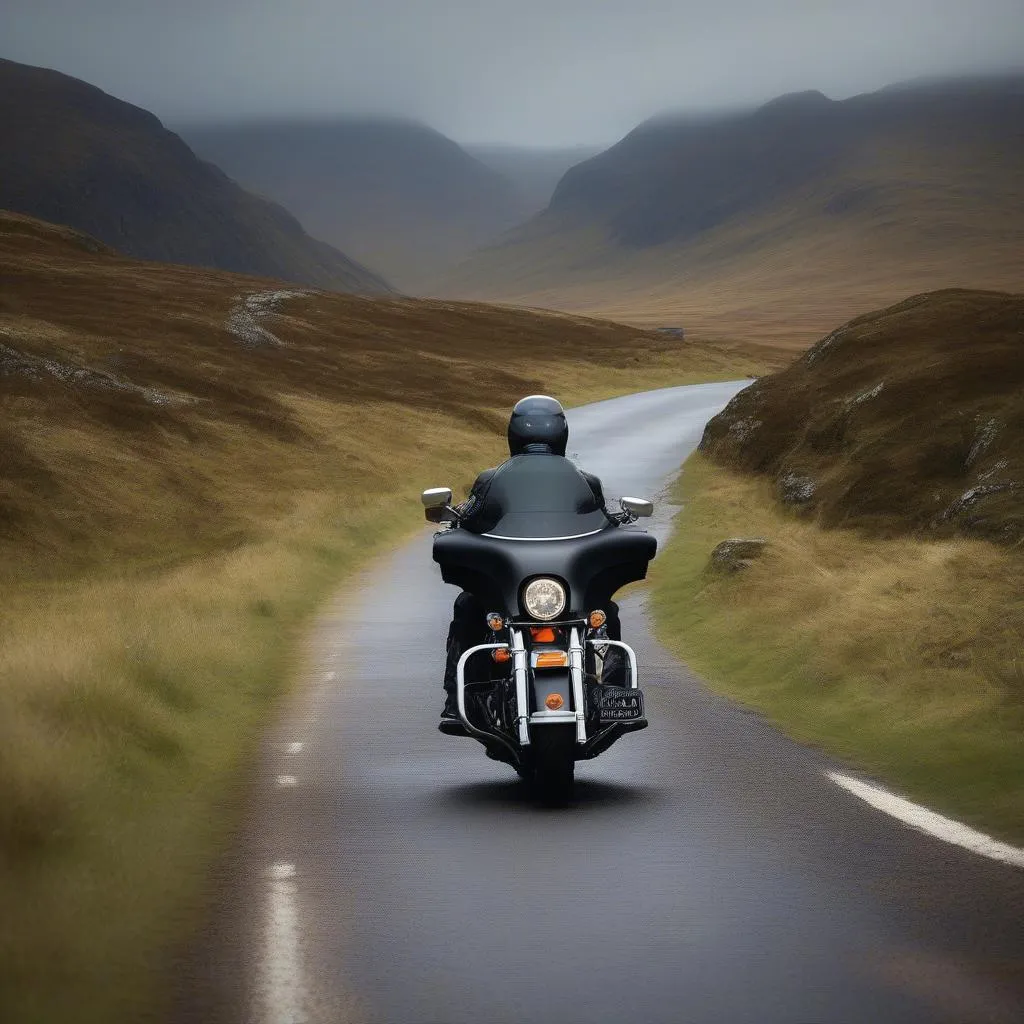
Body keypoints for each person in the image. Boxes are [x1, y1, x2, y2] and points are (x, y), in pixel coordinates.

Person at [440, 395, 625, 721]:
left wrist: (452, 520)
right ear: (562, 433)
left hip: (560, 586)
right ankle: (460, 700)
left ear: (513, 434)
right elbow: (608, 518)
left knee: (602, 611)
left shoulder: (496, 479)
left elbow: (604, 522)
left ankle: (616, 695)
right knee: (470, 606)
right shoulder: (501, 481)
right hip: (528, 585)